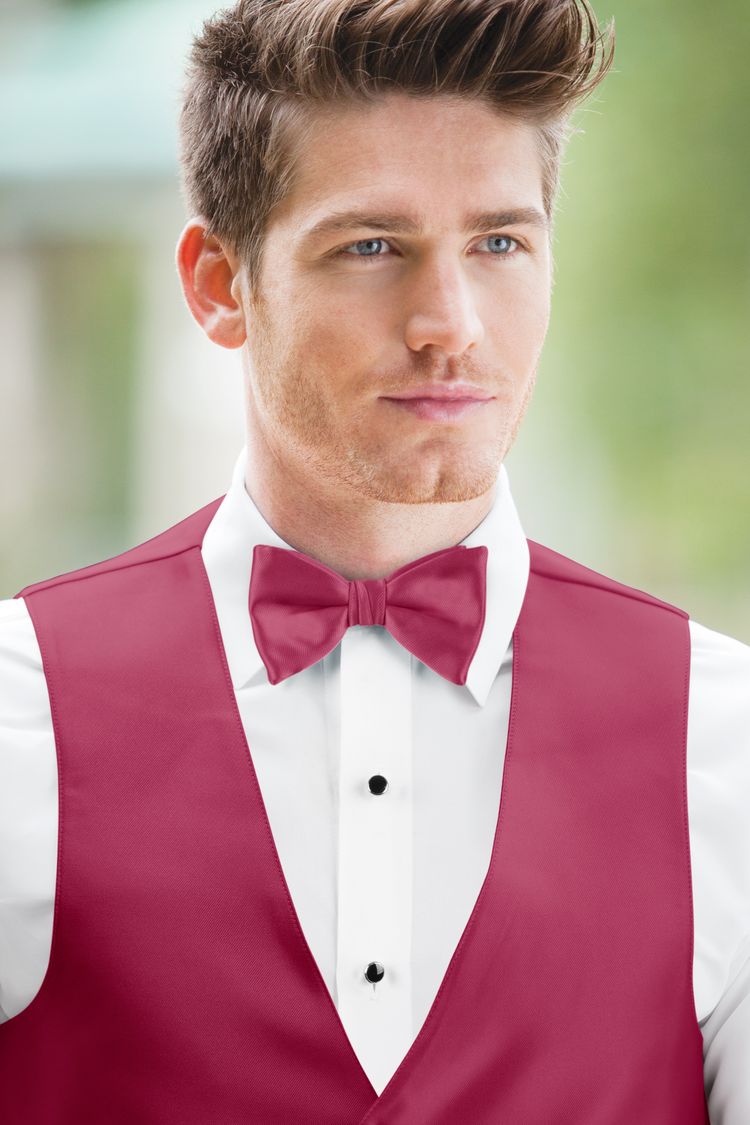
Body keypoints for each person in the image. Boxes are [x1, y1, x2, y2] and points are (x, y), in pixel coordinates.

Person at [0, 0, 747, 1120]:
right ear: (218, 284)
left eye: (499, 243)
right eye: (371, 247)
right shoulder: (16, 716)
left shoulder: (725, 738)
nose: (451, 323)